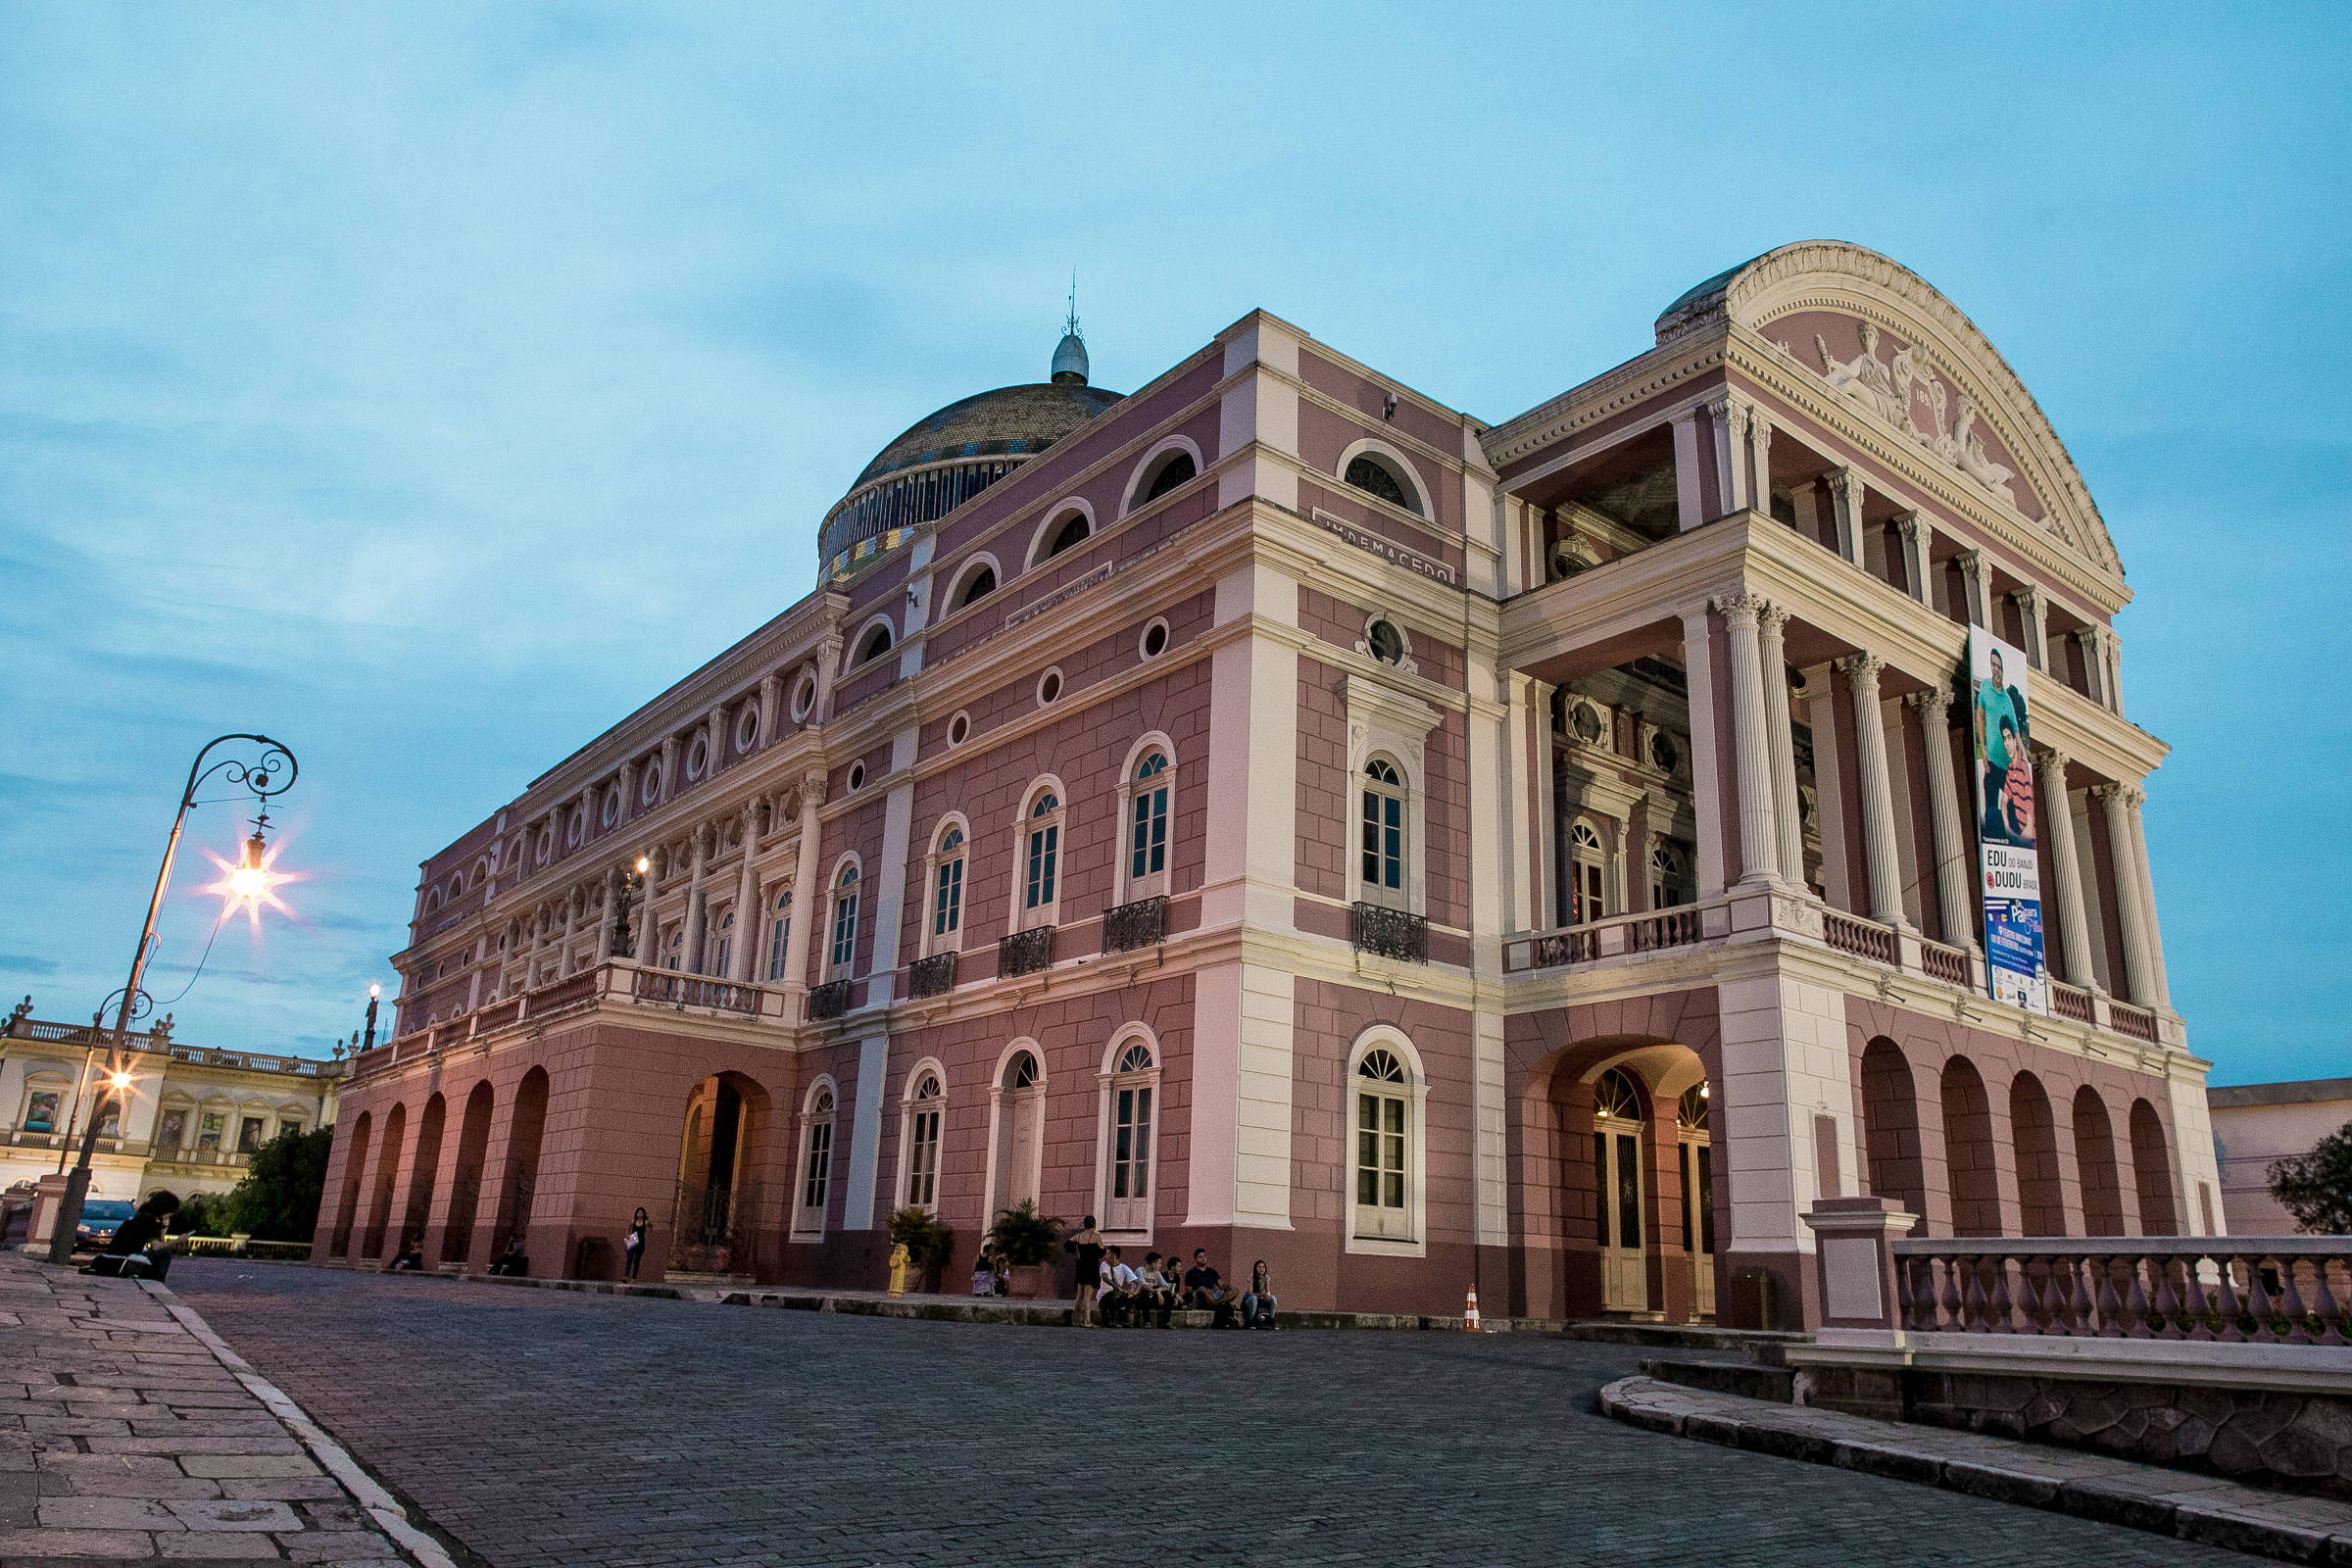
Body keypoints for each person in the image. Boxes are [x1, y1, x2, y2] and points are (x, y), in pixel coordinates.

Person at [84, 1190, 178, 1279]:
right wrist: (179, 1240)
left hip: (114, 1258)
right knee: (165, 1253)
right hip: (124, 1260)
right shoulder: (150, 1221)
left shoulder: (141, 1216)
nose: (169, 1217)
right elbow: (155, 1246)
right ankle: (154, 1281)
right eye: (170, 1214)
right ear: (165, 1210)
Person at [1064, 1216, 1104, 1328]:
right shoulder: (1096, 1237)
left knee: (1079, 1294)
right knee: (1088, 1295)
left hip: (1081, 1265)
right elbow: (1102, 1252)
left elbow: (1067, 1244)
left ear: (1084, 1224)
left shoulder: (1079, 1236)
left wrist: (1074, 1252)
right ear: (1094, 1224)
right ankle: (1086, 1321)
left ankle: (1075, 1320)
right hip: (1091, 1266)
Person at [1184, 1248, 1237, 1329]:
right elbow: (1188, 1291)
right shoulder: (1191, 1273)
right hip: (1199, 1298)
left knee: (1235, 1289)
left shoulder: (1212, 1271)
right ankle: (1220, 1306)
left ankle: (1218, 1304)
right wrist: (1204, 1291)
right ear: (1195, 1259)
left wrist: (1227, 1287)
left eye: (1204, 1256)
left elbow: (1221, 1285)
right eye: (1200, 1257)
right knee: (1203, 1288)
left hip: (1213, 1297)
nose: (1203, 1258)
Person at [1137, 1252, 1176, 1329]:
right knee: (1145, 1293)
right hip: (1140, 1298)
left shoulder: (1156, 1273)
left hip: (1152, 1298)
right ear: (1153, 1263)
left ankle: (1166, 1322)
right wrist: (1156, 1292)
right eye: (1159, 1263)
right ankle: (1147, 1322)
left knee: (1167, 1294)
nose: (1160, 1265)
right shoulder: (1141, 1270)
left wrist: (1159, 1291)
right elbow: (1143, 1285)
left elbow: (1167, 1287)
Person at [1242, 1260, 1279, 1330]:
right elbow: (1250, 1293)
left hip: (1260, 1300)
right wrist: (1262, 1294)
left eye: (1263, 1267)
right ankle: (1252, 1322)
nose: (1262, 1269)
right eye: (1259, 1267)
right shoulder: (1252, 1276)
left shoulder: (1266, 1277)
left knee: (1273, 1298)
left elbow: (1268, 1291)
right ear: (1256, 1269)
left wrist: (1268, 1295)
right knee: (1253, 1298)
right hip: (1249, 1300)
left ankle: (1271, 1321)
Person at [622, 1207, 649, 1282]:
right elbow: (628, 1230)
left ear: (643, 1214)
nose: (640, 1214)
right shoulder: (633, 1221)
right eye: (638, 1213)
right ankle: (626, 1276)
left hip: (640, 1240)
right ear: (636, 1214)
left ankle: (634, 1277)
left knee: (637, 1260)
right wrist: (627, 1237)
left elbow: (651, 1227)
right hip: (633, 1239)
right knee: (629, 1258)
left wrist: (648, 1226)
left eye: (641, 1213)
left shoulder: (645, 1222)